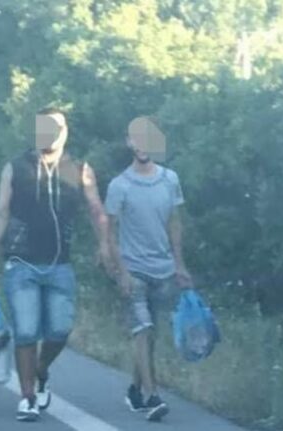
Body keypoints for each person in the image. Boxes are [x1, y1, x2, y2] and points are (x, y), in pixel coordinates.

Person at [0, 106, 110, 422]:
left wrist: (104, 245)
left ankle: (41, 370)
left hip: (60, 264)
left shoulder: (80, 169)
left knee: (60, 330)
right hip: (21, 263)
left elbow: (96, 210)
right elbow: (1, 213)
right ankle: (28, 396)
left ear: (65, 132)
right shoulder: (16, 168)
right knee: (26, 331)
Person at [104, 116, 192, 422]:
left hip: (163, 269)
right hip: (134, 269)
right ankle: (153, 397)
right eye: (136, 138)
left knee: (151, 335)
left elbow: (174, 222)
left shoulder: (170, 180)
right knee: (143, 329)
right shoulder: (119, 185)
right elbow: (110, 232)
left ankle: (134, 390)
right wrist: (121, 271)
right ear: (129, 143)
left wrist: (180, 265)